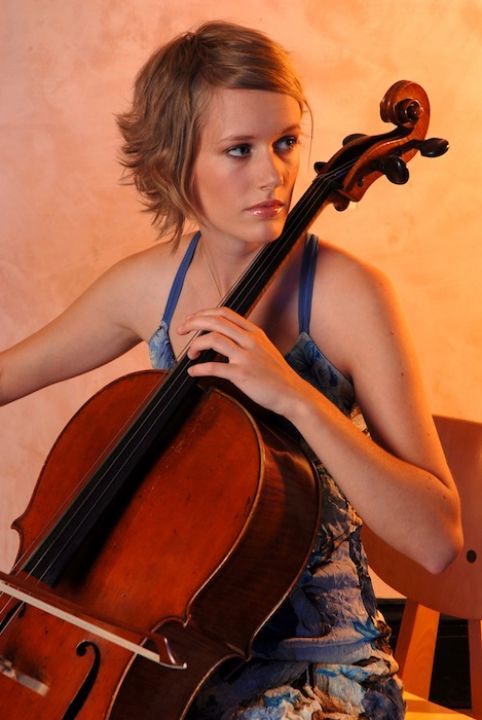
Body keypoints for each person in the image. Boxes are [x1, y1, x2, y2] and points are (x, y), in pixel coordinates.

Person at [0, 21, 462, 720]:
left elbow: (438, 540)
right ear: (174, 163)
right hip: (173, 661)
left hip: (320, 674)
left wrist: (297, 397)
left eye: (283, 143)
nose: (273, 174)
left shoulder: (347, 297)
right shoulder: (149, 285)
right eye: (238, 151)